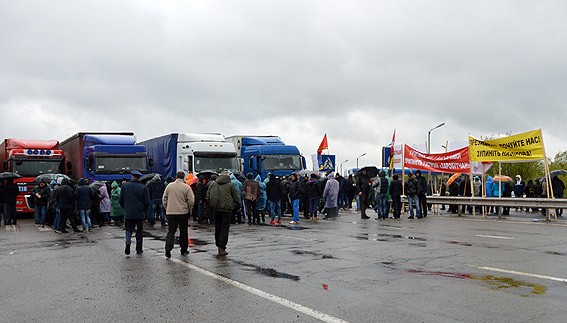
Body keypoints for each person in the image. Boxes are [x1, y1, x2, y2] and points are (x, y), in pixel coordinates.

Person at [206, 170, 240, 256]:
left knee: (217, 228)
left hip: (216, 209)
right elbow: (236, 196)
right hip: (227, 209)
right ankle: (222, 247)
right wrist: (238, 205)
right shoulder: (230, 185)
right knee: (225, 228)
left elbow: (208, 196)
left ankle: (218, 245)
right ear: (228, 176)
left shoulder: (213, 184)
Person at [162, 171, 195, 258]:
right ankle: (183, 249)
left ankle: (168, 248)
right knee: (183, 231)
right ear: (183, 177)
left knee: (171, 231)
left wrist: (167, 207)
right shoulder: (186, 187)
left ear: (176, 177)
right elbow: (191, 200)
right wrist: (188, 208)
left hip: (171, 212)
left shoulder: (169, 186)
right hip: (182, 212)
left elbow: (164, 198)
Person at [119, 170, 150, 255]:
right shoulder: (143, 188)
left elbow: (120, 200)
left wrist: (126, 208)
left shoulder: (125, 186)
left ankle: (128, 243)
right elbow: (147, 202)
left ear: (132, 177)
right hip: (139, 213)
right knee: (139, 231)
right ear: (139, 178)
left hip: (129, 212)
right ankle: (139, 249)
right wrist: (144, 210)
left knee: (128, 230)